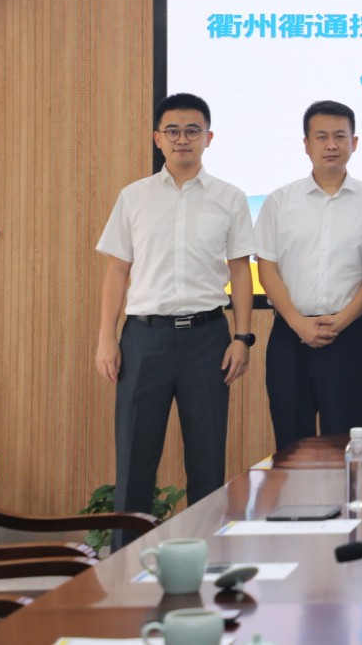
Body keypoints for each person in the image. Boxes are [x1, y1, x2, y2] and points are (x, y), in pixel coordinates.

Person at [95, 92, 254, 542]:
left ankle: (204, 556)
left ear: (208, 138)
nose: (183, 139)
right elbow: (117, 270)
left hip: (208, 338)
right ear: (157, 138)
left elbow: (240, 270)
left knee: (207, 457)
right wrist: (106, 338)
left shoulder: (230, 198)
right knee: (135, 456)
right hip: (144, 340)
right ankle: (125, 560)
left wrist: (242, 337)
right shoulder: (134, 197)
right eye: (173, 131)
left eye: (192, 131)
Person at [254, 100, 362, 448]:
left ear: (353, 143)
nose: (331, 145)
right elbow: (267, 269)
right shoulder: (279, 201)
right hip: (290, 336)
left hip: (350, 336)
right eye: (322, 136)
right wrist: (297, 322)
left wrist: (342, 319)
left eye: (340, 136)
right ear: (306, 144)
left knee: (345, 442)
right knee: (290, 442)